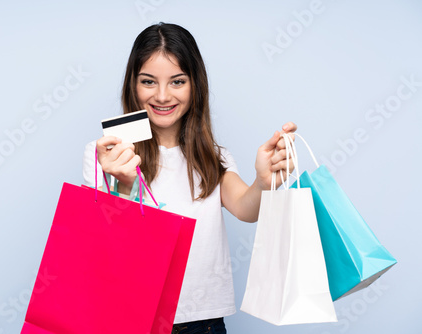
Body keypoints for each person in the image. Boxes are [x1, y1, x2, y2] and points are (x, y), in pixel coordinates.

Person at [83, 22, 296, 334]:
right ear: (133, 85)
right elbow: (104, 240)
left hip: (203, 324)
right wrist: (122, 183)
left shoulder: (213, 155)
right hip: (133, 320)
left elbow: (245, 208)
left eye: (177, 82)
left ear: (195, 85)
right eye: (148, 82)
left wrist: (263, 182)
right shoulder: (107, 153)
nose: (162, 95)